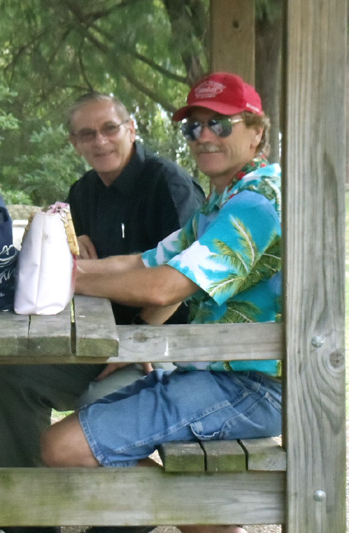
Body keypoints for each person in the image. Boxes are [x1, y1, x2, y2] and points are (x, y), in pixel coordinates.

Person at [40, 73, 281, 533]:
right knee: (62, 441)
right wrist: (64, 270)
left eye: (220, 124)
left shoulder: (256, 204)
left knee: (64, 447)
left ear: (256, 132)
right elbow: (142, 260)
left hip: (254, 388)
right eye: (194, 127)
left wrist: (71, 283)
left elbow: (162, 288)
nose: (204, 136)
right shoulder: (222, 201)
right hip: (212, 374)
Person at [0, 92, 204, 533]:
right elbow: (76, 265)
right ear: (74, 142)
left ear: (131, 129)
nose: (100, 141)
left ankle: (115, 526)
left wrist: (138, 340)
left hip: (166, 348)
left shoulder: (168, 184)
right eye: (87, 134)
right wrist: (70, 249)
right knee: (15, 377)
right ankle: (21, 520)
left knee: (99, 408)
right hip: (104, 341)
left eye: (109, 128)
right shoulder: (83, 192)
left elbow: (188, 279)